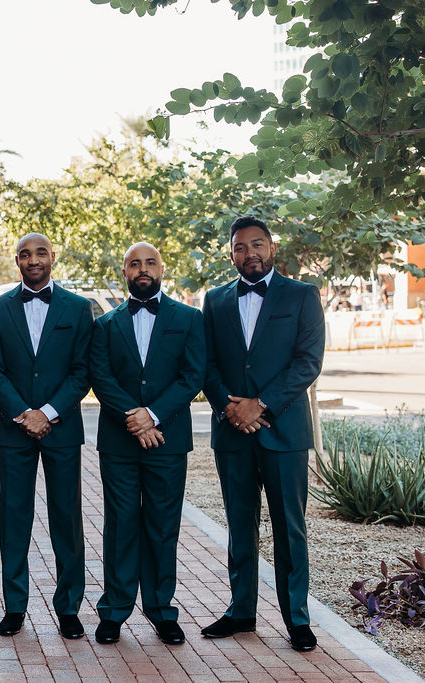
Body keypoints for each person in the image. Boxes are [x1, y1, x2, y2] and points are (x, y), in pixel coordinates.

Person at [201, 216, 325, 652]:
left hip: (284, 432)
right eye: (240, 247)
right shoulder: (214, 301)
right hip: (232, 431)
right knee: (240, 525)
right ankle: (240, 611)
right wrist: (230, 407)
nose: (249, 253)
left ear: (271, 247)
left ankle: (297, 619)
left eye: (257, 244)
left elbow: (308, 363)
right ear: (230, 253)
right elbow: (207, 363)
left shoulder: (303, 295)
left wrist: (262, 404)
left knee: (290, 527)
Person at [89, 242, 205, 645]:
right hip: (119, 443)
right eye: (134, 263)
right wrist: (134, 419)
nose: (143, 269)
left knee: (161, 527)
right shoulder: (104, 324)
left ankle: (161, 610)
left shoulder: (189, 318)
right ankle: (114, 611)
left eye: (149, 262)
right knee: (120, 525)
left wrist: (152, 416)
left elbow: (192, 376)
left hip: (168, 442)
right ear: (124, 272)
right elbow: (101, 378)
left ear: (161, 268)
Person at [0, 233, 93, 639]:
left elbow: (82, 370)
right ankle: (15, 606)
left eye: (40, 253)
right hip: (14, 430)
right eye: (25, 254)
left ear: (53, 258)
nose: (33, 260)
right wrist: (21, 414)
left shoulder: (79, 309)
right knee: (14, 518)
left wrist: (46, 413)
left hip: (61, 429)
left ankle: (69, 607)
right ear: (16, 261)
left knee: (67, 518)